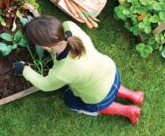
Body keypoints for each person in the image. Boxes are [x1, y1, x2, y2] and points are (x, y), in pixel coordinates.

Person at [13, 15, 144, 124]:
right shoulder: (70, 27)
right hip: (111, 71)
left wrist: (24, 69)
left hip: (98, 96)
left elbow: (45, 85)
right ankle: (134, 95)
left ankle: (128, 111)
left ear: (44, 46)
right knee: (106, 83)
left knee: (69, 100)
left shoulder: (62, 71)